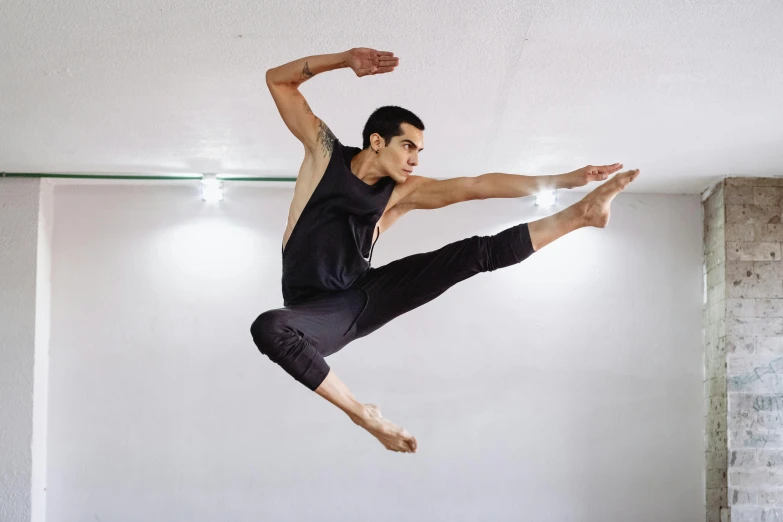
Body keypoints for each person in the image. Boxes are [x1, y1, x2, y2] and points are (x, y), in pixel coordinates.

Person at [252, 47, 640, 454]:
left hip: (364, 296)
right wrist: (346, 59)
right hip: (317, 314)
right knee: (269, 326)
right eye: (408, 146)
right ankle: (362, 413)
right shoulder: (324, 154)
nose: (415, 159)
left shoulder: (400, 193)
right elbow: (277, 79)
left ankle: (583, 215)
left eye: (419, 151)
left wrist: (564, 179)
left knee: (473, 254)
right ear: (377, 141)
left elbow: (476, 186)